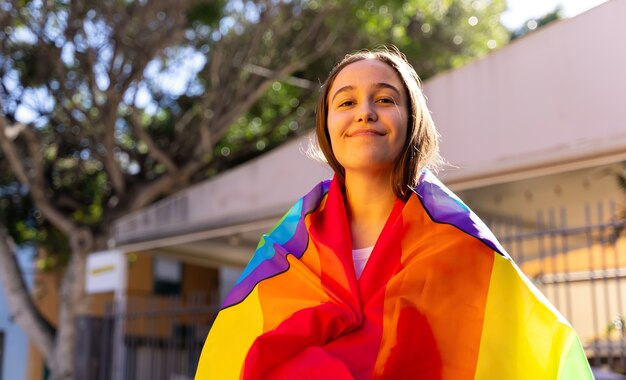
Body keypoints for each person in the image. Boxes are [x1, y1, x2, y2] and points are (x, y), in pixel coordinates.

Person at [195, 46, 594, 379]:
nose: (364, 112)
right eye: (346, 102)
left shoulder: (458, 244)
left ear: (412, 120)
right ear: (326, 126)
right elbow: (237, 355)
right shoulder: (288, 253)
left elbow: (527, 350)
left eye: (384, 99)